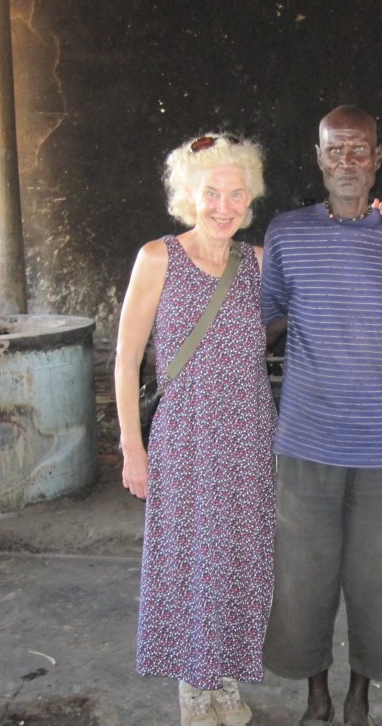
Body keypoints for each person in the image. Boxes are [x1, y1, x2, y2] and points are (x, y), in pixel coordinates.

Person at [260, 105, 382, 726]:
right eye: (336, 151)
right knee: (305, 581)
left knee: (379, 581)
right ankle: (316, 696)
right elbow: (267, 316)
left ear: (378, 160)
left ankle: (360, 695)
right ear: (319, 157)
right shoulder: (287, 233)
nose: (348, 163)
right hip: (305, 439)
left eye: (361, 151)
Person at [114, 133, 276, 726]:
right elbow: (127, 358)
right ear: (188, 195)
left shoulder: (259, 263)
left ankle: (226, 679)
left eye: (236, 193)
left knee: (240, 560)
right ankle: (193, 686)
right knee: (190, 560)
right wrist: (134, 446)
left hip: (250, 439)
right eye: (212, 192)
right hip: (185, 438)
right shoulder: (157, 257)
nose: (224, 205)